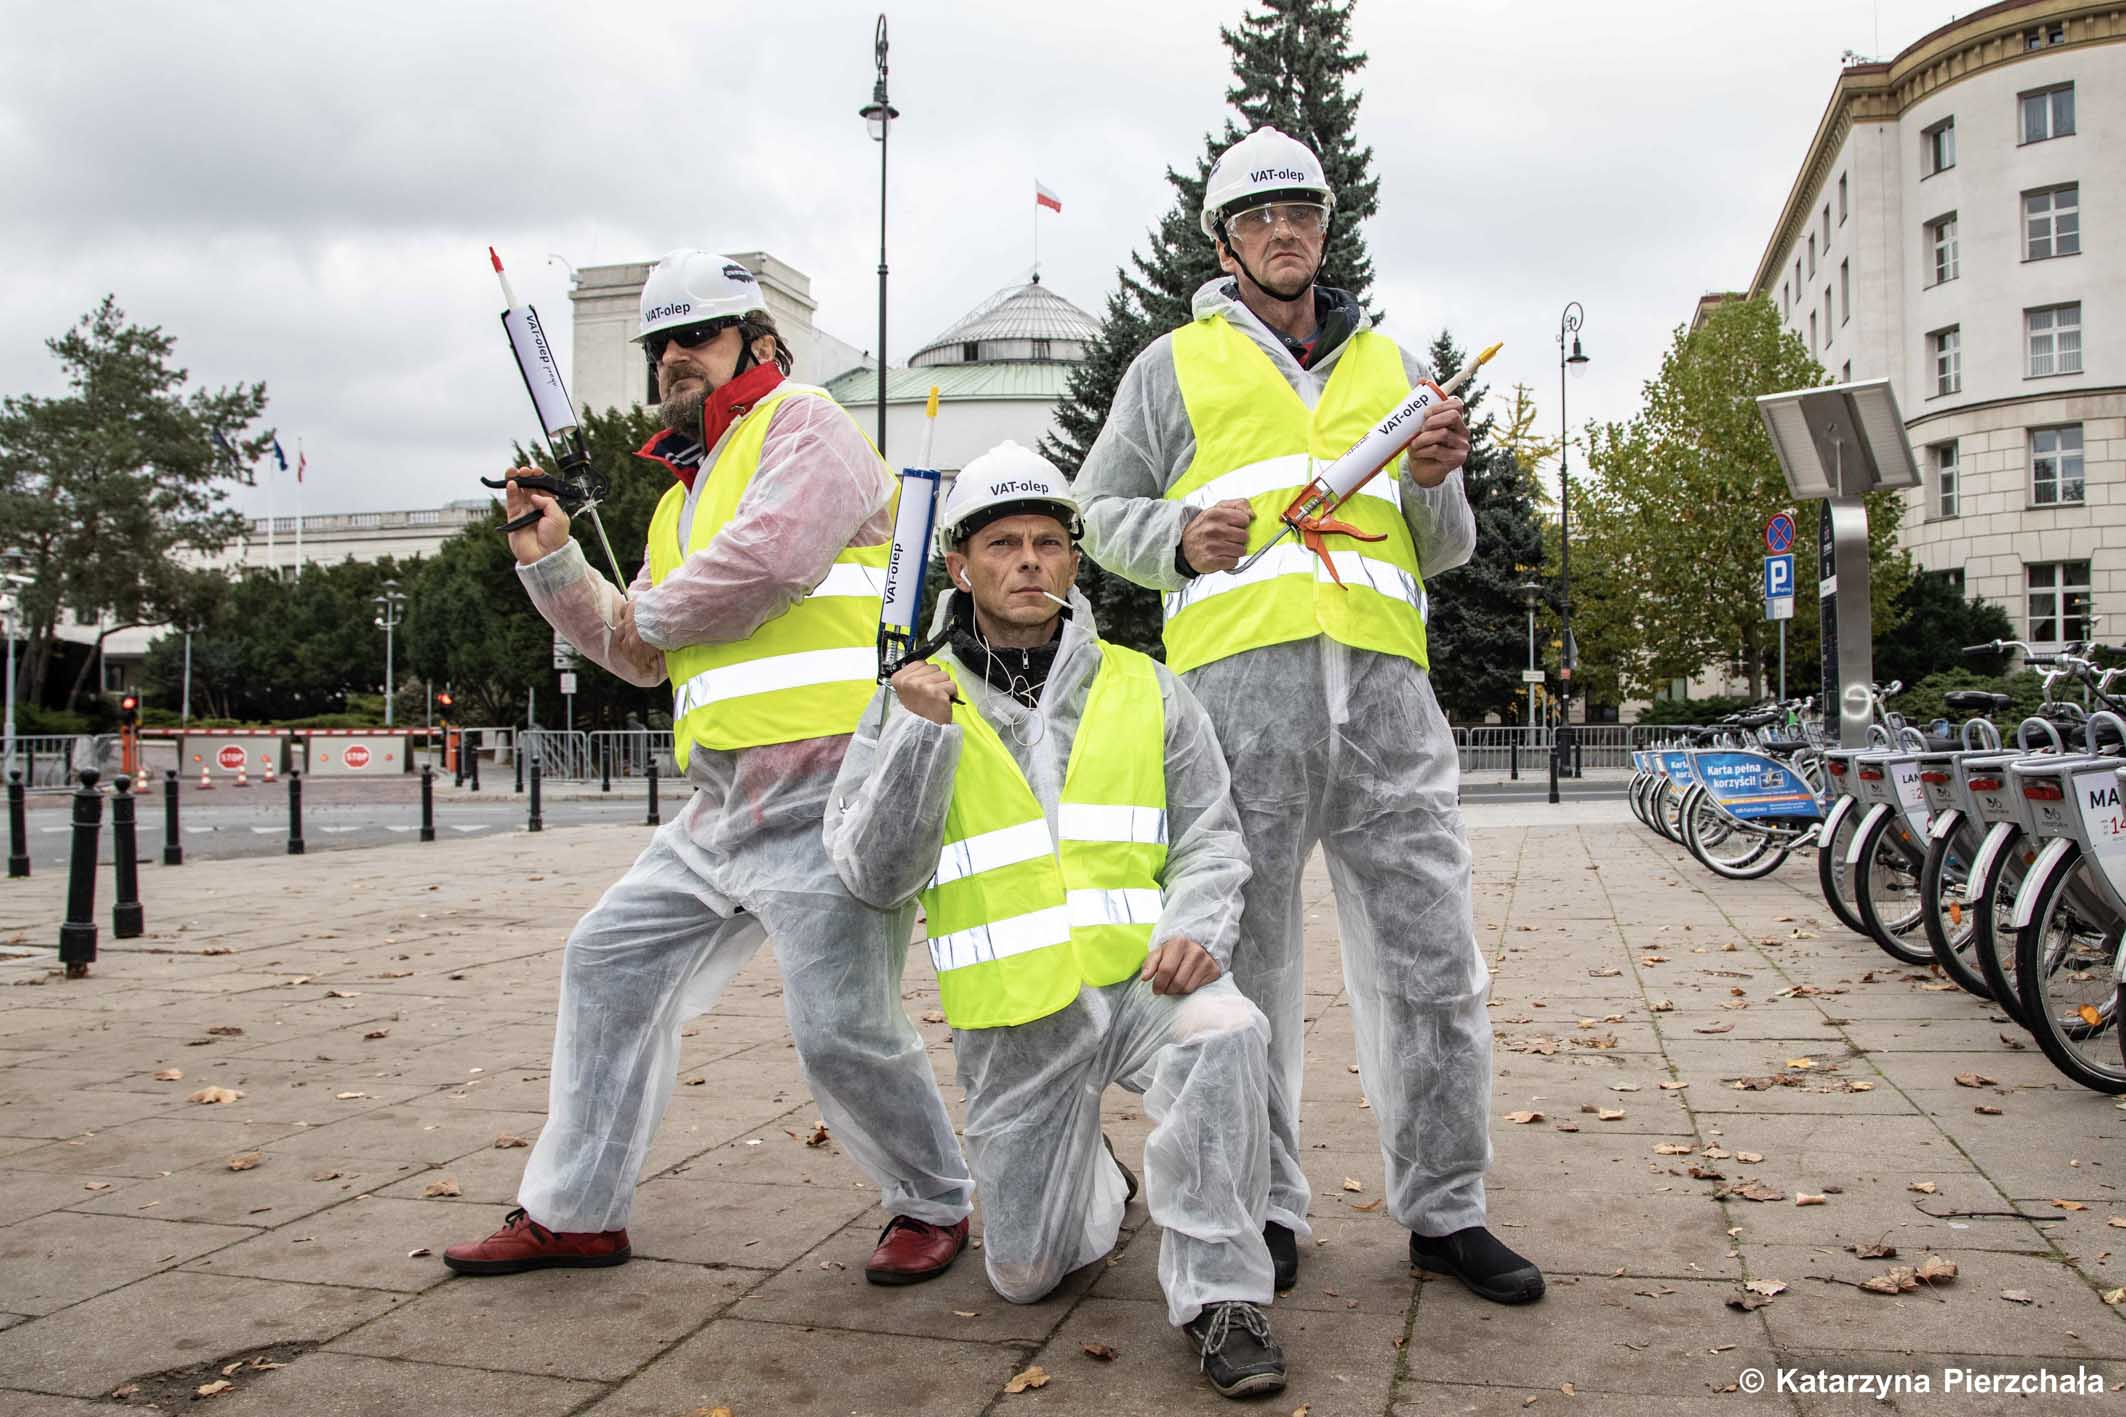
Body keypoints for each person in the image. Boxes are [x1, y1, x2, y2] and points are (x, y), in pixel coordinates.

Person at [1071, 129, 1543, 1305]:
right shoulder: (1166, 367)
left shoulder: (1388, 365)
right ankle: (1265, 1209)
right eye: (1259, 217)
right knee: (1249, 976)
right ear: (1225, 243)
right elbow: (1092, 508)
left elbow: (1437, 550)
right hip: (1239, 706)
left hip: (1386, 703)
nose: (1284, 233)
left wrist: (1434, 476)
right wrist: (1173, 536)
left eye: (1302, 213)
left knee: (1435, 962)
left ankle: (1446, 1209)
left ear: (1325, 230)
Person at [443, 250, 974, 1284]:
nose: (676, 358)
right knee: (607, 960)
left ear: (755, 342)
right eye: (660, 344)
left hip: (831, 790)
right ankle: (575, 1211)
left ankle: (931, 1199)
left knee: (839, 1027)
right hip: (721, 803)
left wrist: (642, 605)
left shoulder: (808, 425)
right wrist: (551, 561)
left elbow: (768, 563)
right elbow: (641, 653)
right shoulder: (674, 502)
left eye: (698, 335)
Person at [827, 443, 1287, 1398]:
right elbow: (873, 875)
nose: (1028, 561)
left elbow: (1212, 835)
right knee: (1028, 1276)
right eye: (1003, 544)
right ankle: (1103, 1184)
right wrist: (919, 736)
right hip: (1020, 1020)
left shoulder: (1146, 684)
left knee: (1229, 1029)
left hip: (1142, 982)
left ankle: (1223, 1297)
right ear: (960, 567)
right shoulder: (910, 698)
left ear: (1076, 560)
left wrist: (1199, 924)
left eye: (1048, 541)